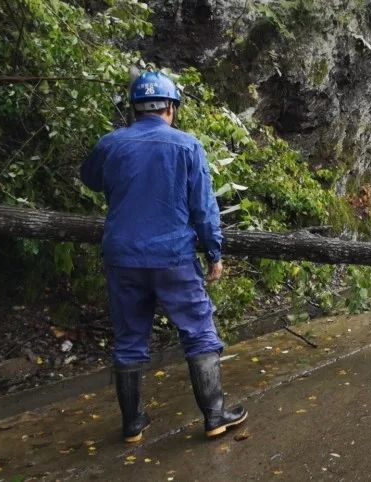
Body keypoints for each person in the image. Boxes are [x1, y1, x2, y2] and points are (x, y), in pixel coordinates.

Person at [80, 71, 247, 443]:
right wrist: (215, 251)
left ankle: (133, 425)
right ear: (171, 107)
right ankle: (215, 416)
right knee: (198, 332)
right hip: (173, 256)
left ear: (135, 109)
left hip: (123, 257)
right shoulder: (187, 147)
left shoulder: (111, 144)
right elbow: (203, 208)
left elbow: (90, 178)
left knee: (129, 337)